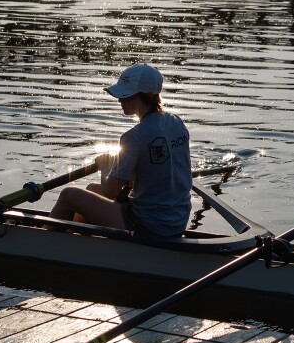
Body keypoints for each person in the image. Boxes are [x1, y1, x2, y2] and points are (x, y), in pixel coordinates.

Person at [49, 63, 192, 239]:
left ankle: (46, 244)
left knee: (68, 195)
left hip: (148, 225)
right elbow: (157, 170)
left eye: (127, 95)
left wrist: (105, 167)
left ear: (147, 96)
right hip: (177, 220)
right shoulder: (176, 123)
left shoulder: (134, 136)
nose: (120, 100)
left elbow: (110, 192)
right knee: (92, 190)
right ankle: (75, 237)